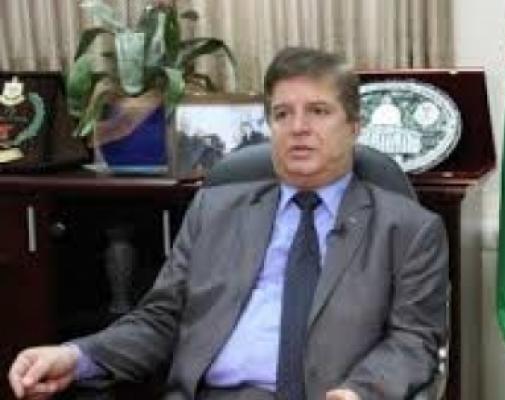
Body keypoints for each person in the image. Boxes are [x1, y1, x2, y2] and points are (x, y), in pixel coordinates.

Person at [8, 47, 449, 400]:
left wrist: (361, 392)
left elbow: (414, 342)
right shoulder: (215, 211)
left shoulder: (409, 230)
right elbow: (161, 320)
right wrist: (76, 356)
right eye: (282, 114)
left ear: (354, 125)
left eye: (318, 111)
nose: (298, 127)